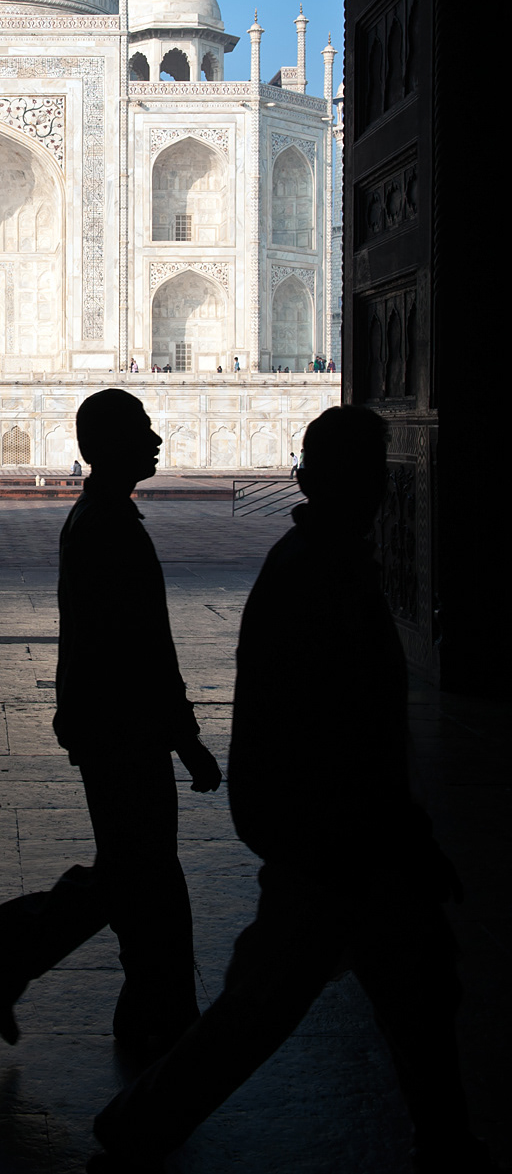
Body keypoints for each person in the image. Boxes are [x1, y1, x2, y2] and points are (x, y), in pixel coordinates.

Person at [89, 406, 494, 1174]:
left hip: (332, 833)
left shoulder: (321, 561)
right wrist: (396, 831)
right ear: (320, 480)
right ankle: (136, 1128)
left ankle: (447, 1144)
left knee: (402, 992)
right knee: (269, 1007)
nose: (374, 490)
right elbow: (339, 728)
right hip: (334, 840)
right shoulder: (318, 572)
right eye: (362, 475)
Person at [0, 389, 221, 1056]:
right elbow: (141, 645)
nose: (156, 440)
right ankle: (141, 1003)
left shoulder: (98, 514)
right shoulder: (107, 524)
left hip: (107, 722)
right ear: (108, 445)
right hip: (122, 726)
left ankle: (139, 1002)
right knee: (144, 871)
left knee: (134, 871)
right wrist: (185, 737)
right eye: (142, 430)